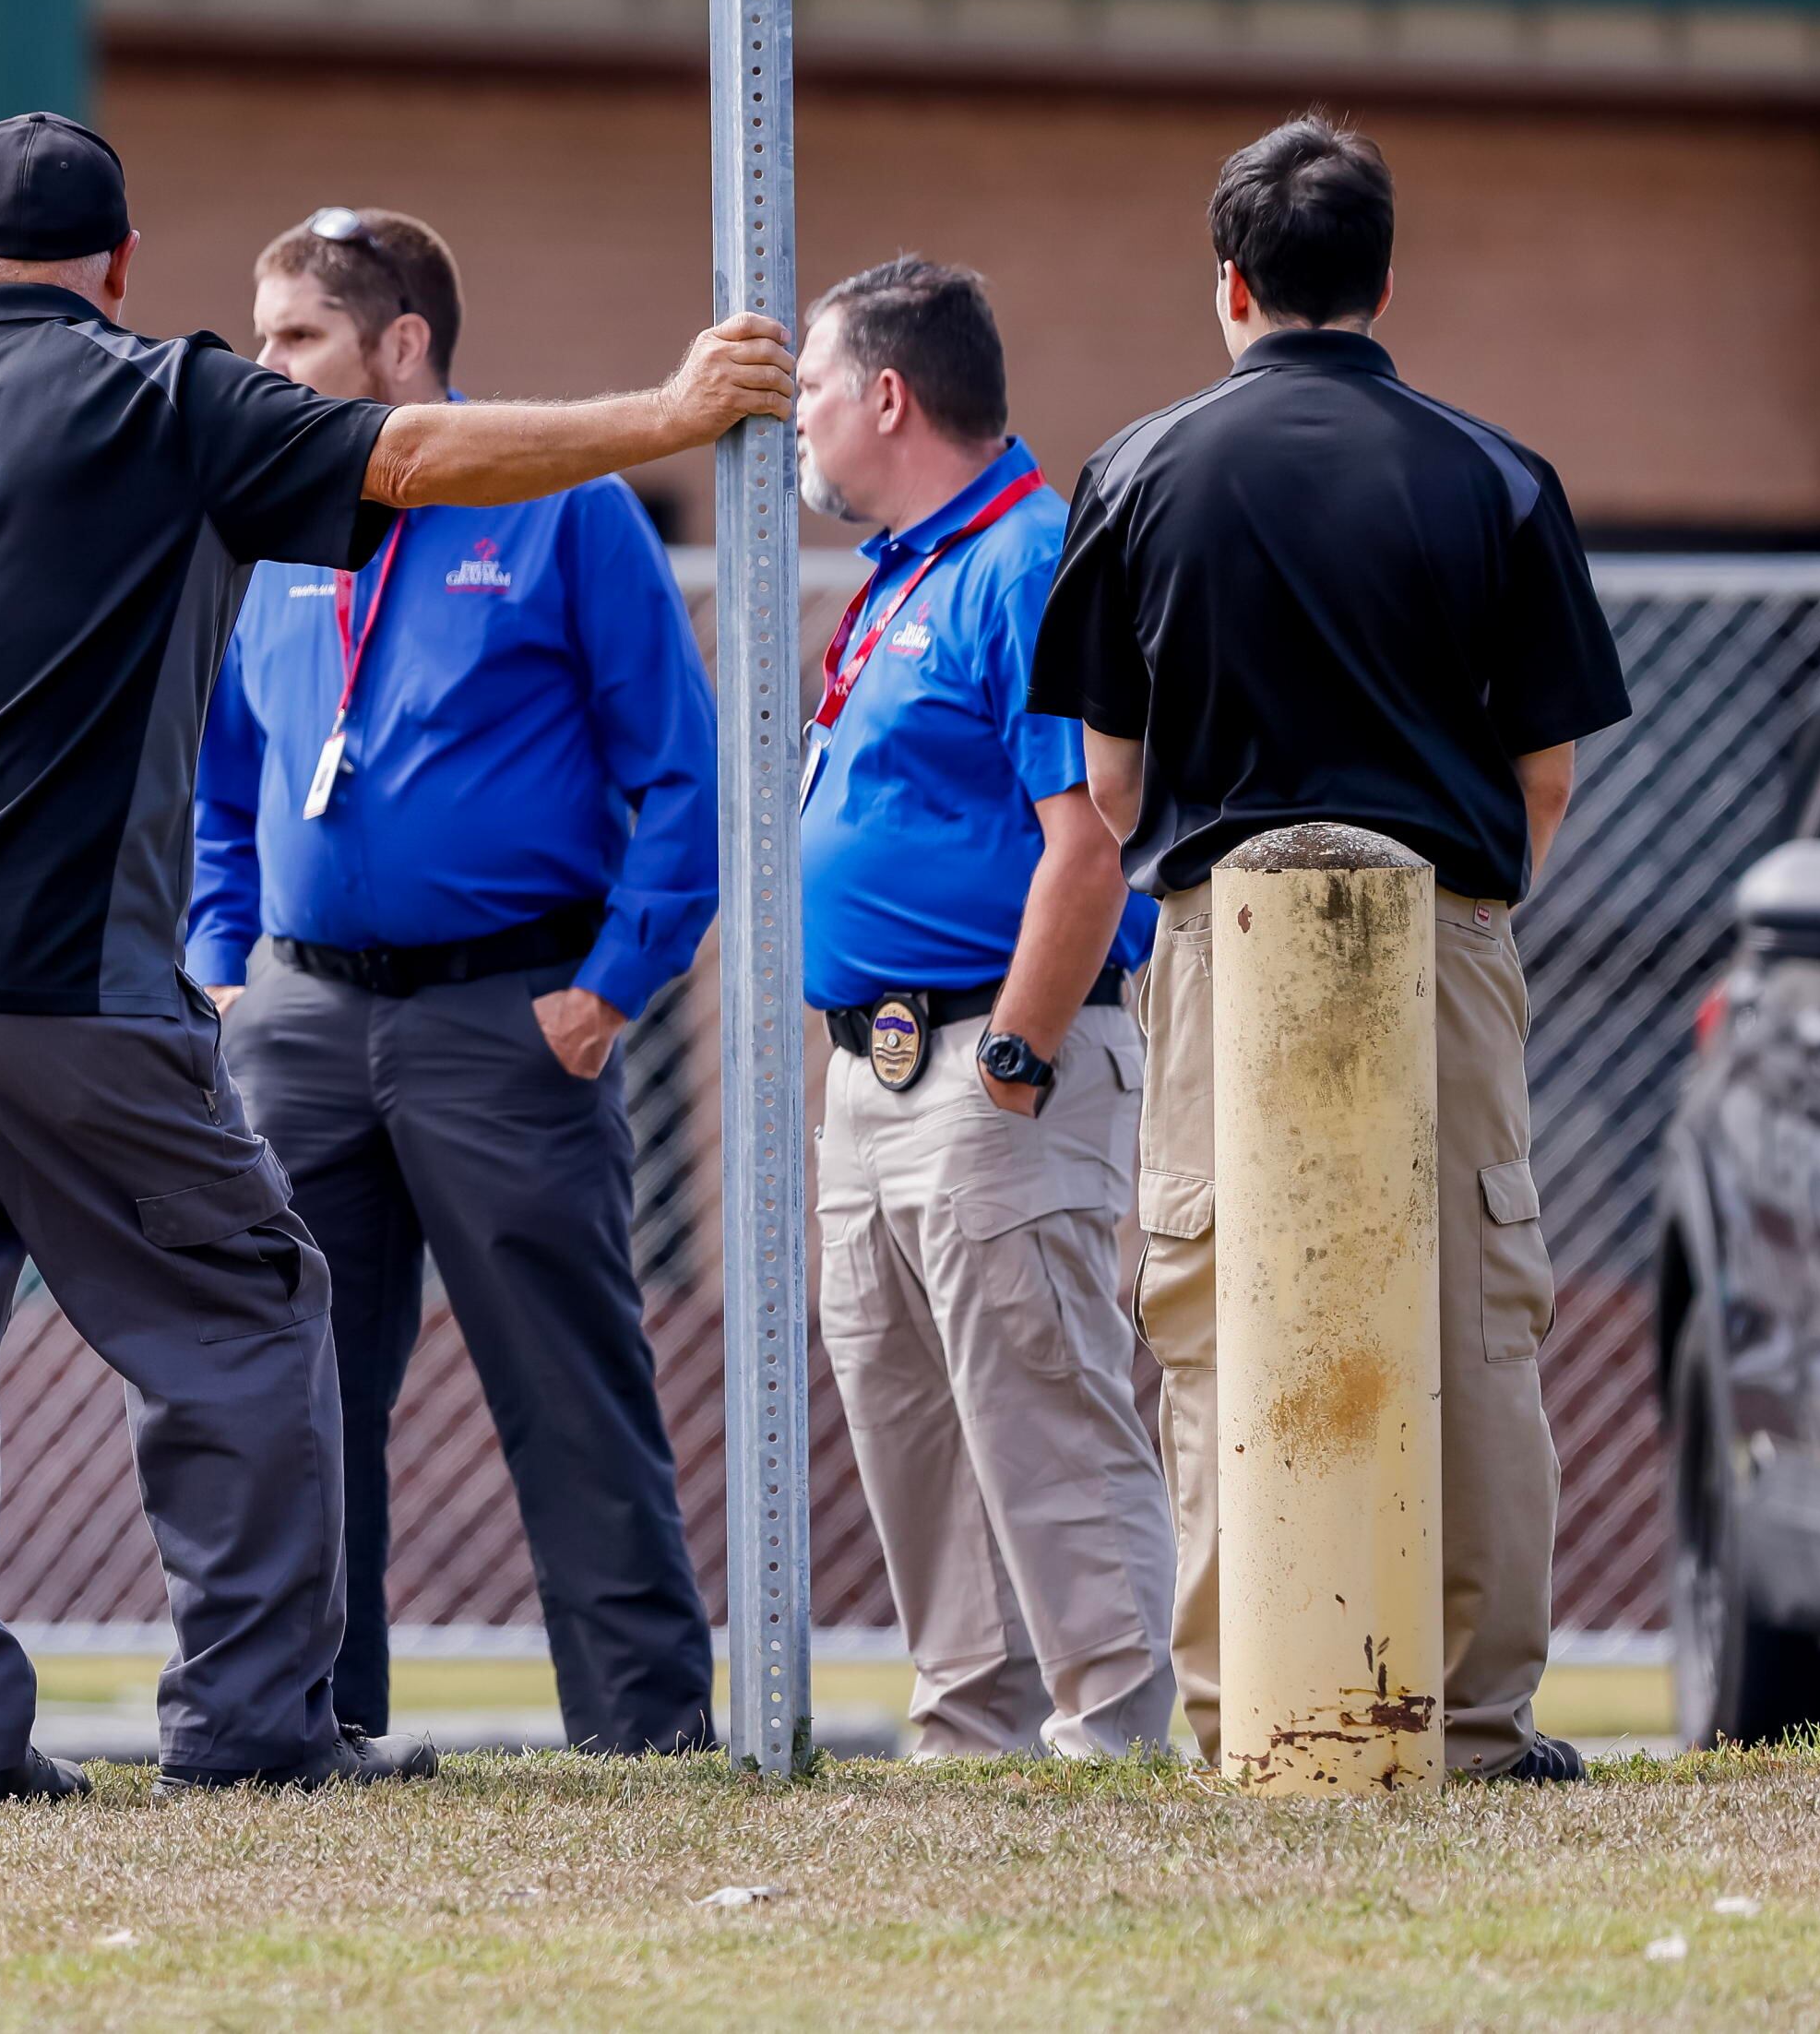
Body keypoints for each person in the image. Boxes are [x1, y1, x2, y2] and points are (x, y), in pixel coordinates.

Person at [0, 112, 794, 1804]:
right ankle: (256, 1723)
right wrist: (673, 412)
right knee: (257, 1311)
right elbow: (410, 460)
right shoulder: (165, 396)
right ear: (119, 267)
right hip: (65, 984)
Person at [1029, 117, 1630, 1783]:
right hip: (1438, 924)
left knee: (1219, 1304)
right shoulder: (1495, 473)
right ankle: (1484, 1721)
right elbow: (1550, 768)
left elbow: (1110, 776)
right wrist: (1477, 911)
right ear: (1381, 278)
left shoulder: (1138, 470)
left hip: (1224, 935)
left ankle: (1246, 1713)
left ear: (1231, 283)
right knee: (1479, 1314)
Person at [187, 206, 721, 1756]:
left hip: (509, 1016)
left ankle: (644, 1737)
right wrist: (225, 972)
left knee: (566, 1385)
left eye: (295, 336)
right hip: (296, 1017)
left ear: (402, 342)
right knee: (294, 1392)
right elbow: (224, 787)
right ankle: (308, 1724)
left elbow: (678, 772)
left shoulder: (568, 505)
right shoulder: (275, 520)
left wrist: (613, 982)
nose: (264, 363)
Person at [790, 255, 1172, 1760]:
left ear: (888, 394)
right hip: (878, 1071)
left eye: (812, 390)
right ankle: (974, 1733)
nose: (797, 425)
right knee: (913, 1432)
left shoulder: (1026, 561)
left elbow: (1090, 838)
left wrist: (1014, 1055)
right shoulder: (908, 567)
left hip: (992, 1057)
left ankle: (1120, 1720)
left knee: (1047, 1412)